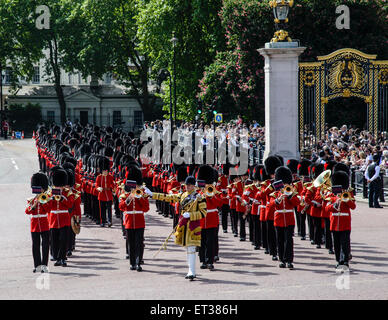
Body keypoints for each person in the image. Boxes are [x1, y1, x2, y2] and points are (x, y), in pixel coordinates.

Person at [119, 165, 150, 272]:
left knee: (139, 243)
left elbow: (146, 208)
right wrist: (129, 197)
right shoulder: (124, 195)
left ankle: (138, 262)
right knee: (131, 243)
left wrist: (139, 197)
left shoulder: (142, 194)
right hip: (129, 222)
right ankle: (132, 263)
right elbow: (122, 207)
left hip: (139, 222)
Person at [25, 172, 51, 273]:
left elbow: (48, 209)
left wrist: (42, 201)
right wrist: (34, 204)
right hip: (35, 225)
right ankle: (37, 265)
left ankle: (44, 265)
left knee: (45, 246)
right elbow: (27, 211)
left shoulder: (46, 199)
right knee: (35, 245)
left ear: (44, 189)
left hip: (45, 224)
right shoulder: (31, 200)